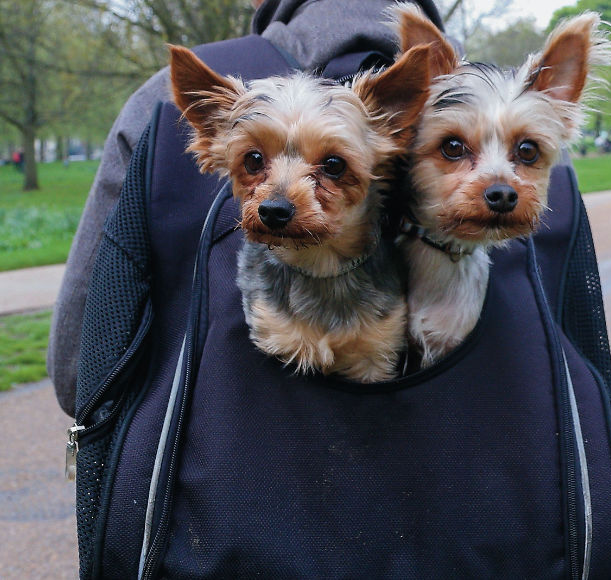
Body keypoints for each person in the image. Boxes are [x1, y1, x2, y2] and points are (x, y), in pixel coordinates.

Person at [47, 0, 446, 417]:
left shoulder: (152, 102)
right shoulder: (487, 100)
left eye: (330, 166)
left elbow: (79, 369)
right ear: (213, 142)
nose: (278, 200)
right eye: (255, 163)